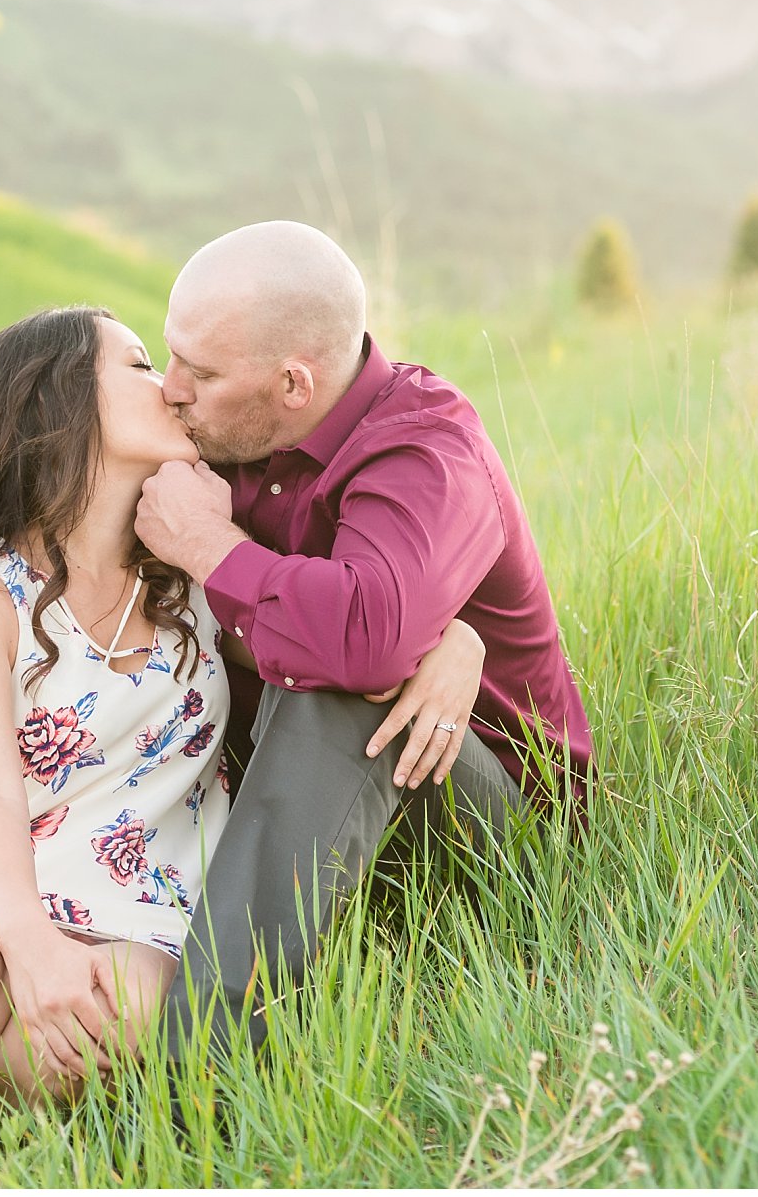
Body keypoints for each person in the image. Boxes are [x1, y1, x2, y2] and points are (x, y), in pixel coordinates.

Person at [0, 305, 487, 1115]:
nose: (173, 389)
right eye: (142, 366)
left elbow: (326, 645)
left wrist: (453, 640)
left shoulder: (193, 572)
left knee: (122, 1010)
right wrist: (30, 945)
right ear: (61, 404)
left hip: (153, 924)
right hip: (2, 904)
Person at [131, 220, 594, 1063]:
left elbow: (361, 647)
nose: (170, 390)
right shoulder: (218, 432)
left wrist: (212, 550)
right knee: (324, 653)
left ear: (294, 384)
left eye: (199, 372)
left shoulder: (426, 447)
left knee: (346, 684)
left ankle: (192, 1078)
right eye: (170, 357)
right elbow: (11, 571)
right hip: (313, 818)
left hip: (491, 827)